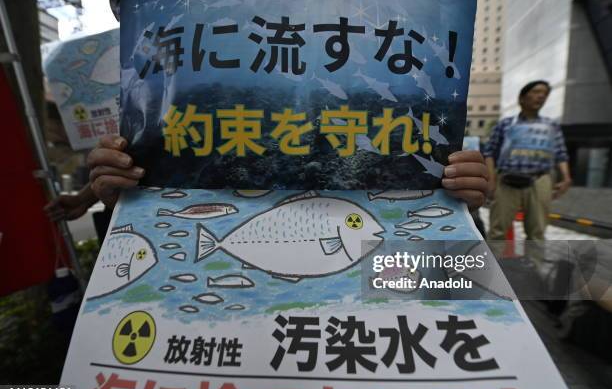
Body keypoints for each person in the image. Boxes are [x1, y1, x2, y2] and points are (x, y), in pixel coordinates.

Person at [86, 134, 490, 211]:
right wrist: (124, 202)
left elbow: (443, 279)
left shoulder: (414, 131)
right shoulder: (159, 117)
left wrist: (460, 207)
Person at [484, 80, 572, 242]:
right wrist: (491, 180)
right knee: (497, 231)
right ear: (522, 98)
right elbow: (489, 152)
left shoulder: (551, 126)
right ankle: (493, 266)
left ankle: (535, 266)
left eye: (545, 94)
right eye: (536, 92)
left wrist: (566, 178)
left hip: (540, 180)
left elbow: (561, 153)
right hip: (506, 180)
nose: (541, 96)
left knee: (537, 232)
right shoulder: (505, 124)